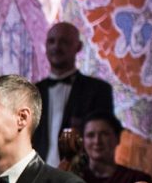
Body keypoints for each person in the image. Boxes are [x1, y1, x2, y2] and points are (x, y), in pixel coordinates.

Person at [35, 21, 115, 167]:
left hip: (81, 175)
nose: (56, 47)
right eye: (51, 41)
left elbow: (102, 140)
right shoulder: (32, 92)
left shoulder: (98, 90)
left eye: (64, 42)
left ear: (78, 47)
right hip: (37, 176)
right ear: (45, 46)